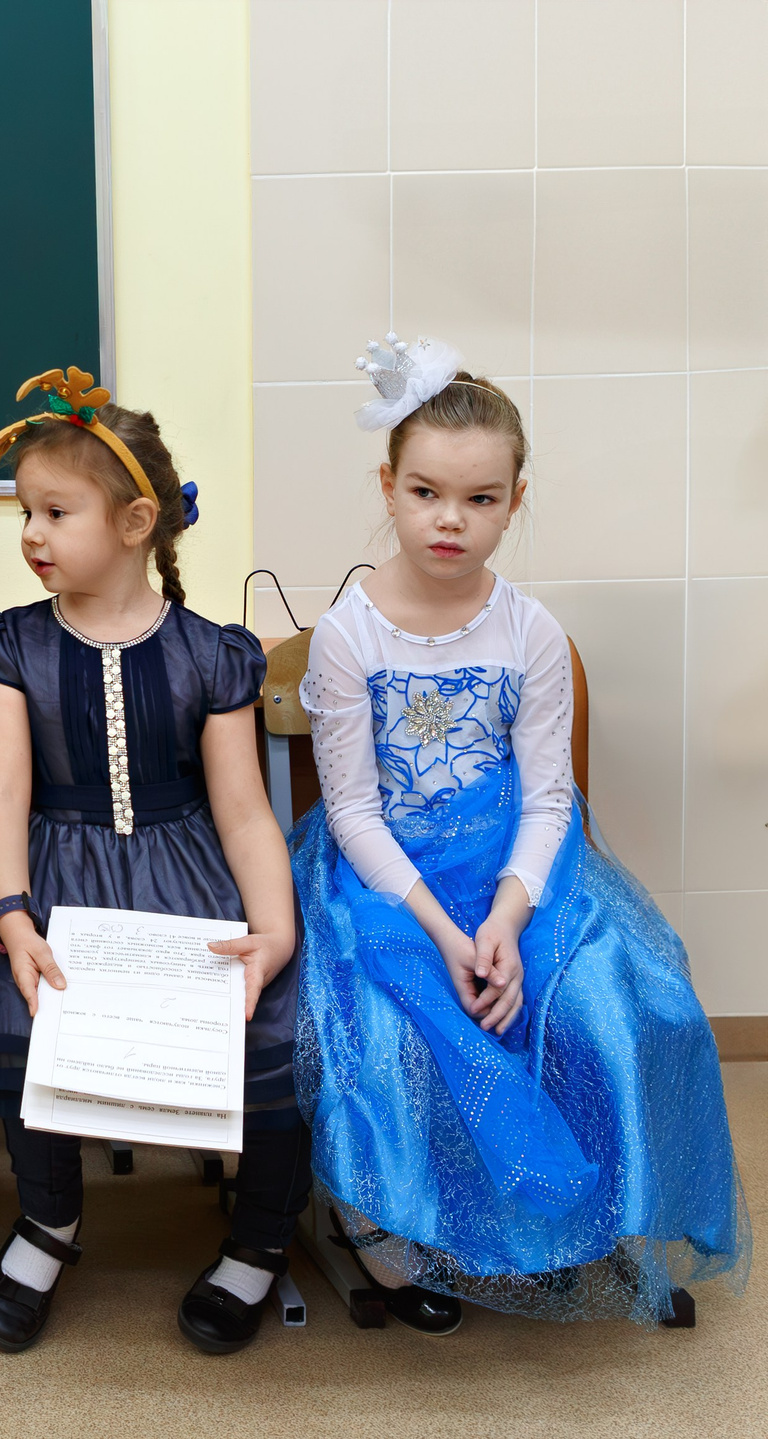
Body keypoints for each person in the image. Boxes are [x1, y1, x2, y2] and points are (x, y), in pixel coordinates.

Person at [292, 336, 750, 1328]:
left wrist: (503, 918)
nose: (449, 518)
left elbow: (548, 800)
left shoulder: (530, 631)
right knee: (392, 1020)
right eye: (425, 492)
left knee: (615, 1000)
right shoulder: (348, 634)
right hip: (388, 879)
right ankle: (393, 1226)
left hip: (515, 866)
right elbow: (354, 811)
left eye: (480, 498)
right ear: (389, 487)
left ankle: (598, 1215)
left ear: (514, 500)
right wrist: (449, 934)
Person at [0, 368, 307, 1355]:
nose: (32, 533)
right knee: (16, 1010)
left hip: (188, 875)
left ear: (137, 521)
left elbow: (243, 811)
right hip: (50, 874)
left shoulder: (214, 654)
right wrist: (12, 913)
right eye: (25, 512)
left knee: (280, 1022)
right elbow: (0, 793)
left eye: (55, 512)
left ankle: (261, 1237)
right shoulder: (10, 644)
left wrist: (273, 930)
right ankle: (50, 1219)